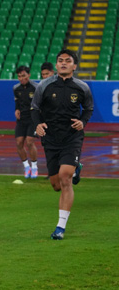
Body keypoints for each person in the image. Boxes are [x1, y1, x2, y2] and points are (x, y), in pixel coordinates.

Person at [31, 49, 93, 240]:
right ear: (56, 65)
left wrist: (83, 121)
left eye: (68, 61)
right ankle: (76, 168)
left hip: (72, 137)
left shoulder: (82, 87)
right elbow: (35, 108)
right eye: (60, 61)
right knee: (56, 184)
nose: (63, 63)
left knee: (65, 178)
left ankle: (60, 227)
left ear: (74, 66)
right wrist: (38, 125)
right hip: (50, 139)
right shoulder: (44, 86)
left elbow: (88, 108)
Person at [13, 66, 39, 178]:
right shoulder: (16, 88)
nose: (21, 78)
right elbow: (17, 102)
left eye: (23, 75)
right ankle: (26, 166)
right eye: (19, 76)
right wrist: (17, 109)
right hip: (21, 119)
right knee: (19, 143)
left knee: (29, 142)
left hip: (32, 119)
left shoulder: (36, 87)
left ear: (29, 75)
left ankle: (34, 167)